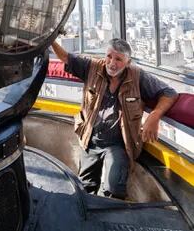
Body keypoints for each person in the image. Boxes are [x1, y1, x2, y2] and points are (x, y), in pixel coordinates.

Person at [51, 38, 178, 199]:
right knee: (85, 188)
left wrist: (154, 116)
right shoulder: (92, 67)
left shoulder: (138, 77)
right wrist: (50, 39)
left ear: (128, 62)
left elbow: (169, 93)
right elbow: (66, 57)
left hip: (120, 144)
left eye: (119, 59)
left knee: (113, 190)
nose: (112, 63)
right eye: (109, 56)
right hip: (90, 139)